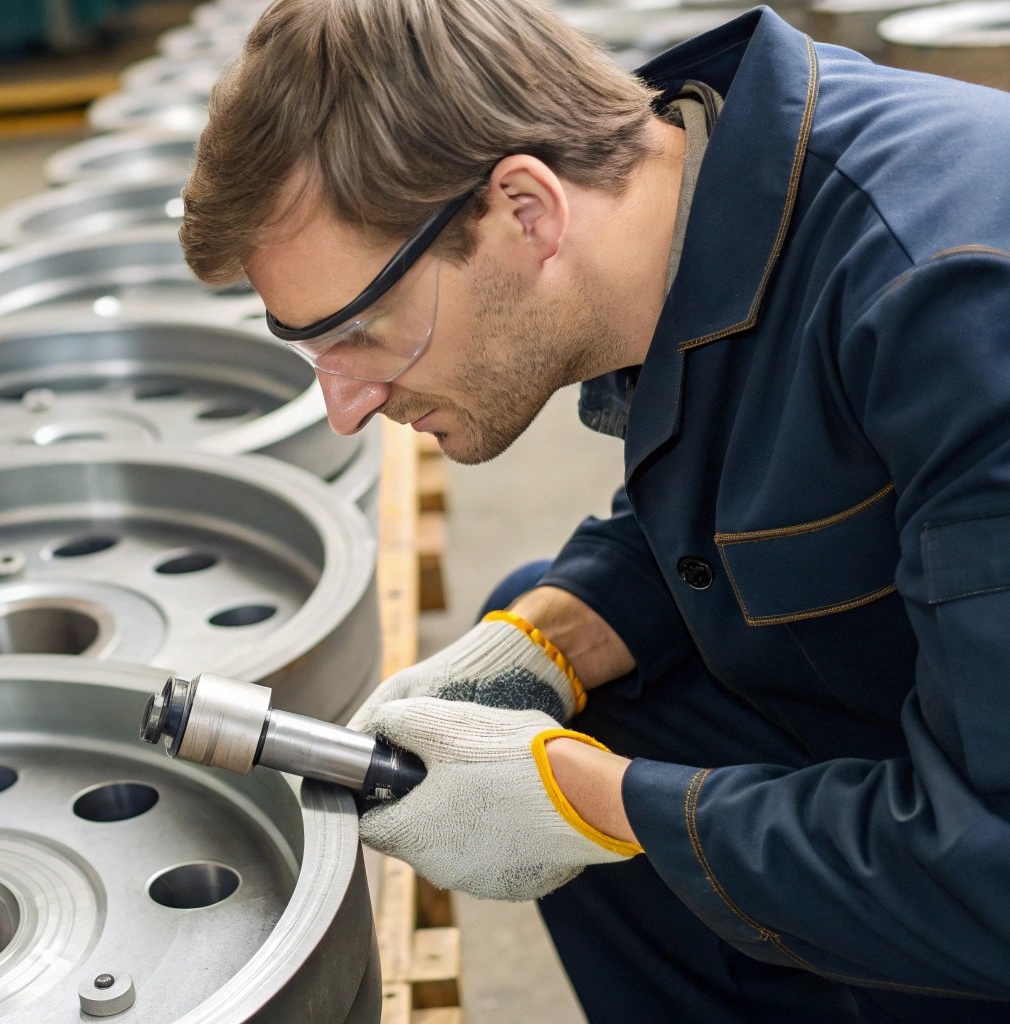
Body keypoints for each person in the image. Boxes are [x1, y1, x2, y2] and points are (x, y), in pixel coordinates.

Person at [178, 0, 1010, 1019]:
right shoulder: (711, 200)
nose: (343, 407)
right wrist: (540, 643)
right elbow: (755, 485)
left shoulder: (954, 312)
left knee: (575, 788)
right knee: (555, 655)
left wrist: (589, 802)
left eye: (361, 330)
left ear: (526, 209)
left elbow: (992, 872)